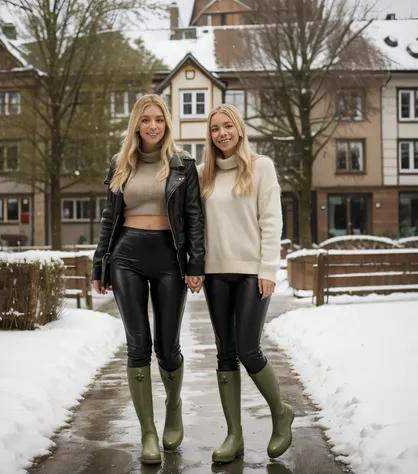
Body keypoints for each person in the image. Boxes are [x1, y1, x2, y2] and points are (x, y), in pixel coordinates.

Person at [92, 94, 205, 465]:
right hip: (126, 257)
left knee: (167, 346)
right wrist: (100, 264)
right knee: (137, 344)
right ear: (136, 125)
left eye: (158, 119)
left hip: (170, 258)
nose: (152, 125)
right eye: (145, 120)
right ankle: (148, 432)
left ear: (166, 123)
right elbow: (109, 218)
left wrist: (196, 264)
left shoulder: (183, 164)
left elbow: (193, 218)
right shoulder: (119, 163)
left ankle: (173, 406)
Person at [198, 104, 294, 463]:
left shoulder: (261, 167)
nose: (221, 133)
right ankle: (234, 435)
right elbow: (199, 226)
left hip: (253, 272)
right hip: (215, 273)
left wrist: (268, 268)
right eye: (215, 129)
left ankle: (281, 413)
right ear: (209, 136)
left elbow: (271, 221)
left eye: (227, 126)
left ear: (239, 129)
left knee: (248, 348)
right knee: (225, 352)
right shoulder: (204, 174)